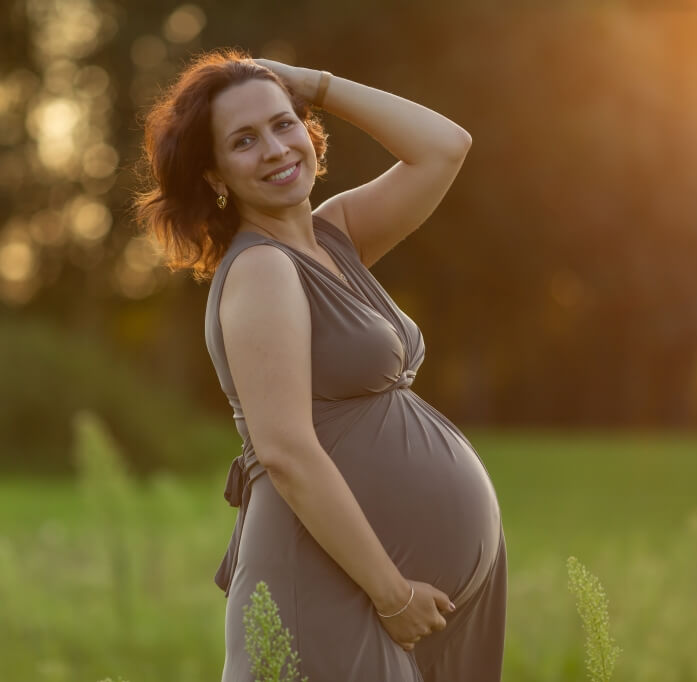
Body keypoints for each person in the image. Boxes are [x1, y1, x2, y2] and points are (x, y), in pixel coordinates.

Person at [133, 48, 506, 681]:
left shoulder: (335, 236)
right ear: (215, 175)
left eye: (284, 124)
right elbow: (285, 451)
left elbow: (445, 146)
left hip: (402, 597)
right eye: (244, 140)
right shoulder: (261, 270)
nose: (276, 149)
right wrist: (392, 594)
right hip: (342, 589)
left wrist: (311, 83)